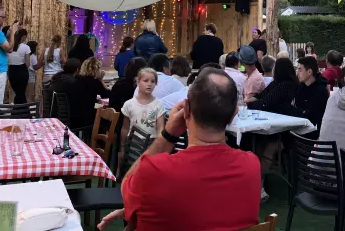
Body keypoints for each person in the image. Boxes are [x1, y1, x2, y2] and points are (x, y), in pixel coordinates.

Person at [101, 69, 261, 231]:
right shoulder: (251, 166)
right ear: (234, 113)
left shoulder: (155, 170)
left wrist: (168, 135)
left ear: (186, 110)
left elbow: (126, 188)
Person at [121, 67, 165, 143]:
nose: (149, 84)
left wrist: (158, 146)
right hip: (132, 142)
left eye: (152, 81)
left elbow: (160, 129)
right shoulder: (129, 104)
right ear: (138, 82)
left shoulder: (159, 105)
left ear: (155, 84)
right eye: (145, 81)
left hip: (152, 143)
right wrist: (122, 146)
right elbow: (125, 128)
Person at [294, 56, 329, 137]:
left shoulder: (321, 90)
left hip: (313, 132)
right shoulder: (301, 86)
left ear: (309, 71)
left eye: (300, 70)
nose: (297, 73)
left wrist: (300, 112)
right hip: (300, 127)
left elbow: (313, 115)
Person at [7, 27, 31, 104]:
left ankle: (17, 109)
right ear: (23, 37)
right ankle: (23, 109)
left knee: (18, 92)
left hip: (11, 71)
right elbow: (27, 64)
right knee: (21, 92)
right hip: (22, 71)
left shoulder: (9, 46)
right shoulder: (26, 47)